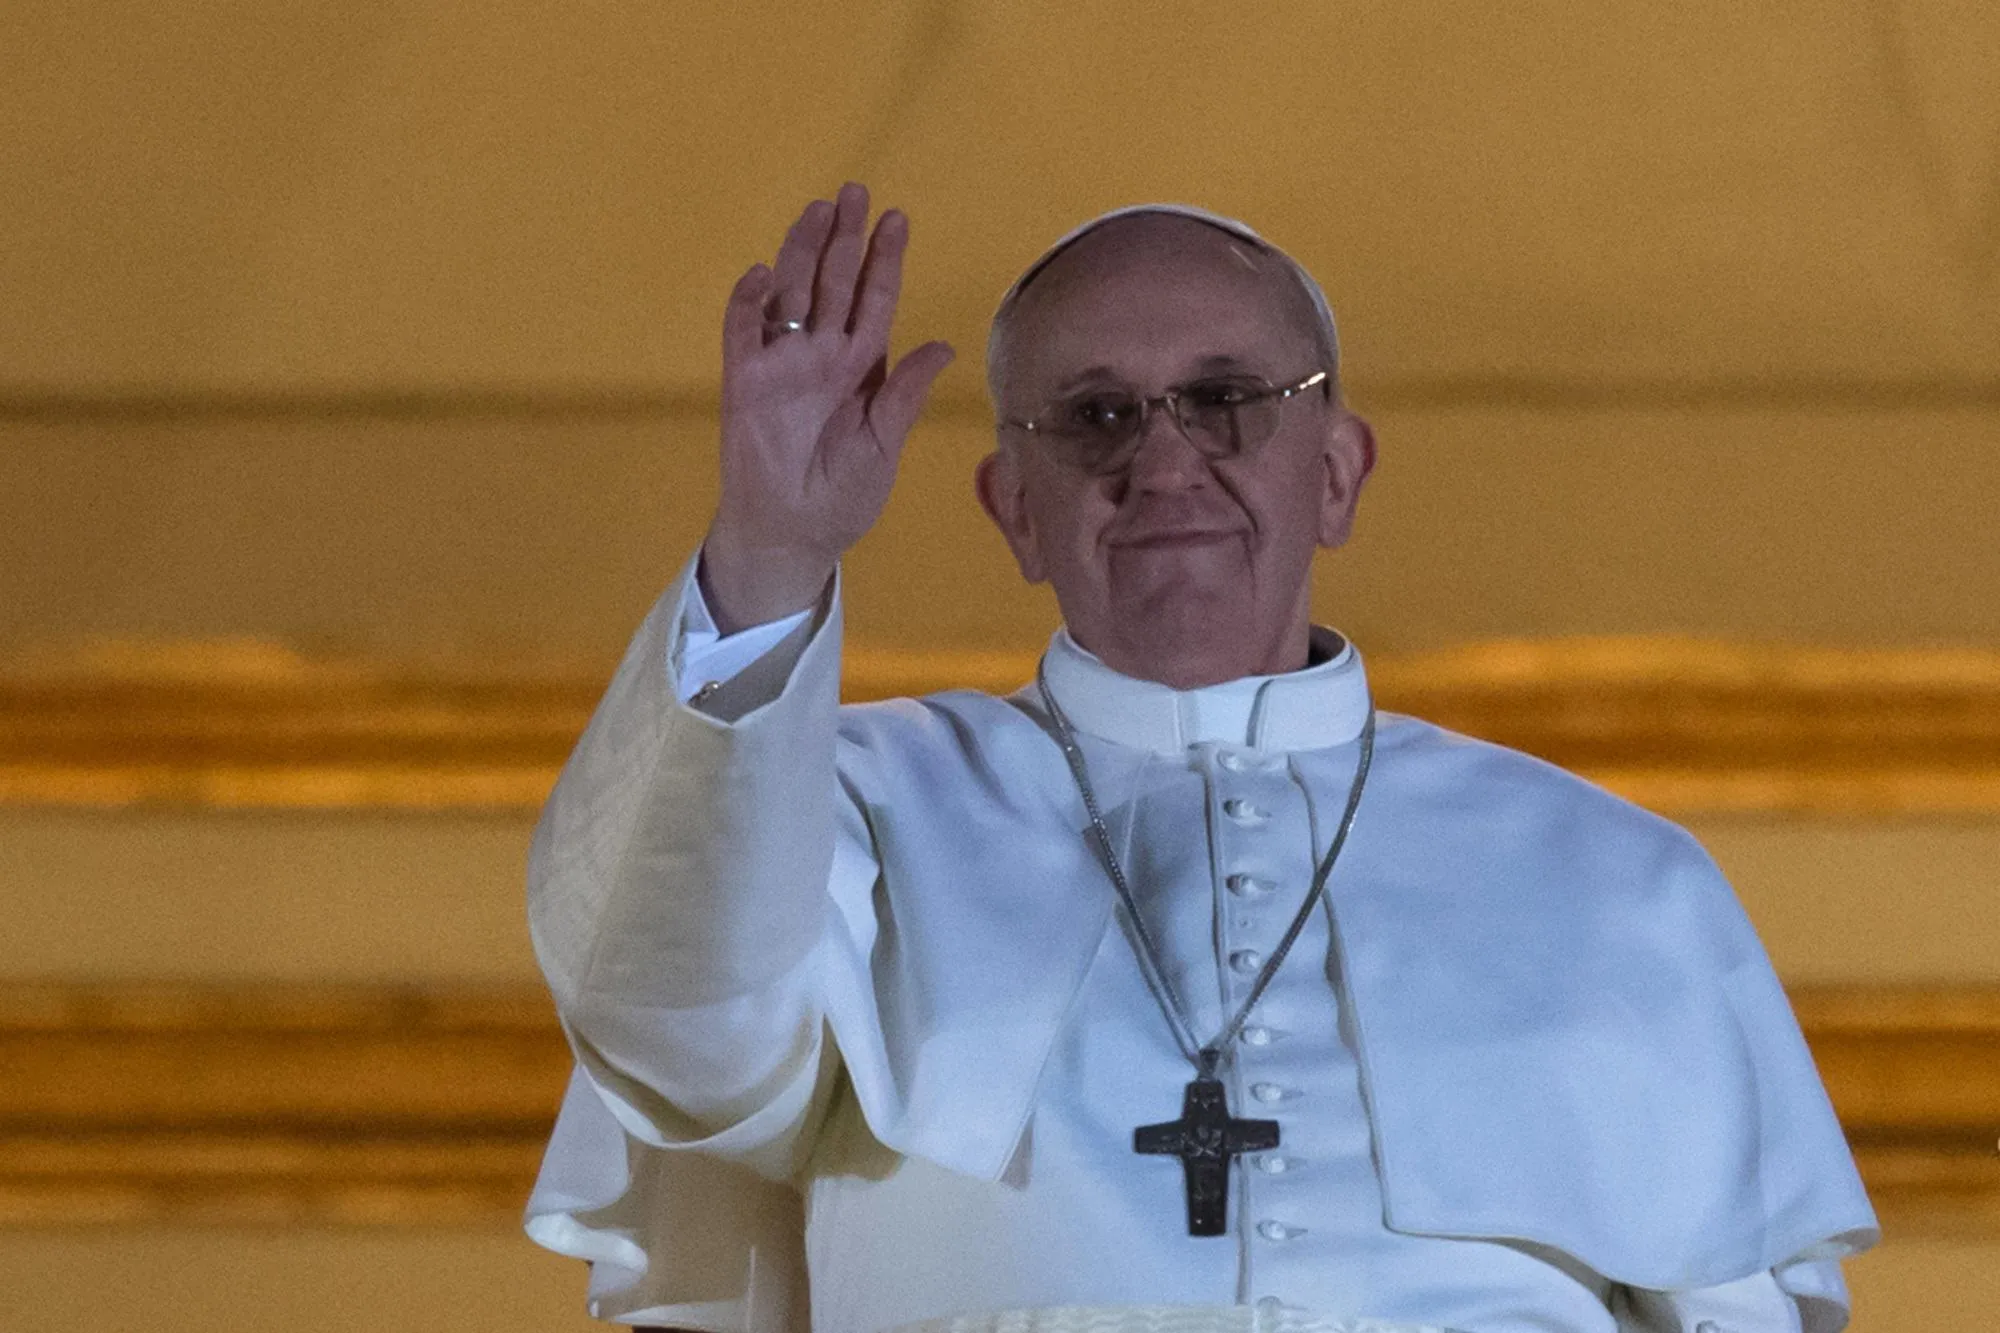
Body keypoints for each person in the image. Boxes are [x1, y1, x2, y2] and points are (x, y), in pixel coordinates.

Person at [522, 184, 1878, 1333]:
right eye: (1095, 418)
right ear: (1016, 512)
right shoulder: (856, 810)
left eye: (1227, 400)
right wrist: (771, 550)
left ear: (1338, 474)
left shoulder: (1614, 881)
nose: (1164, 463)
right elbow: (678, 1028)